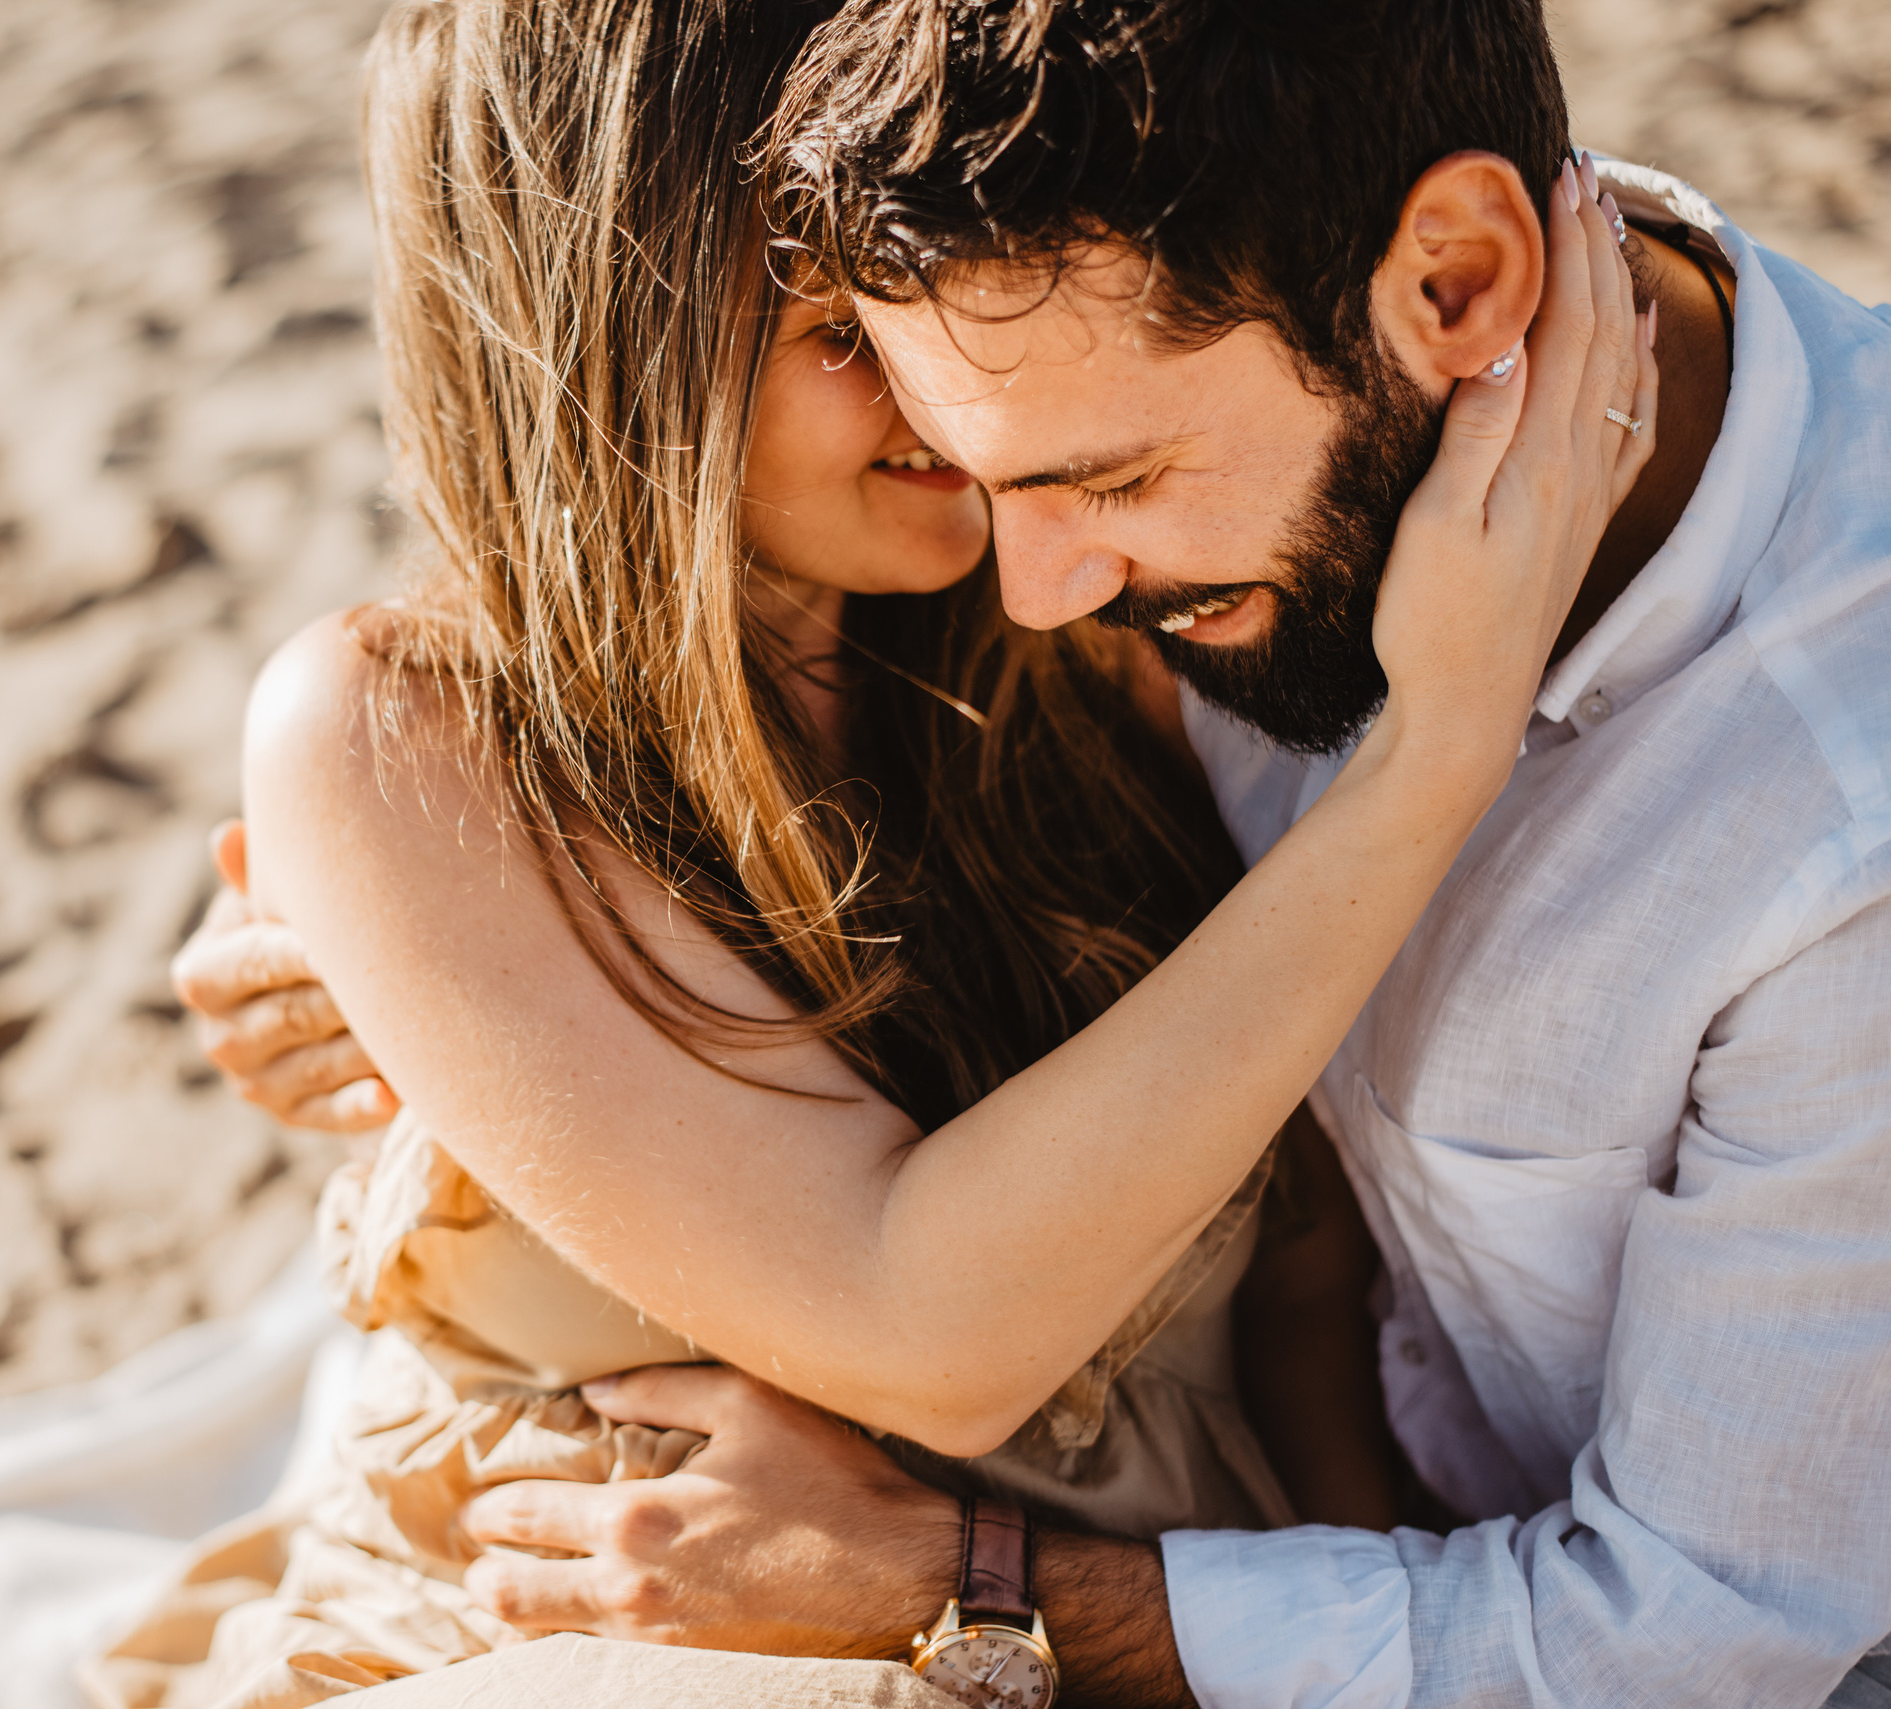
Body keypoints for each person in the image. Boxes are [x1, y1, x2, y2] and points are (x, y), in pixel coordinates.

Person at [182, 3, 1891, 1706]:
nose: (1011, 513)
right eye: (850, 315)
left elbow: (1328, 1311)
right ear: (602, 335)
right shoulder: (1067, 566)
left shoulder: (1068, 645)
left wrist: (976, 1588)